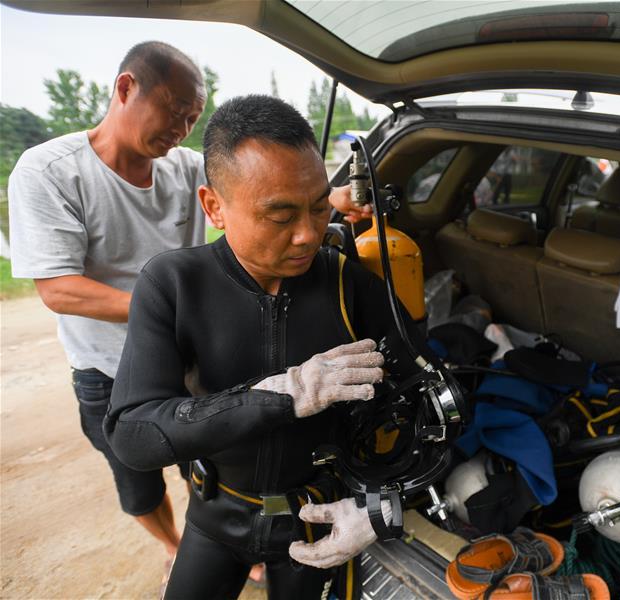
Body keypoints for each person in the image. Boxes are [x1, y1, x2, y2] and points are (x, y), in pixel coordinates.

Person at [7, 41, 366, 583]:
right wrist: (170, 309)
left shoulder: (182, 168)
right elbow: (59, 290)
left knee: (210, 454)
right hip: (110, 363)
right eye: (174, 110)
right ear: (126, 88)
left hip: (199, 358)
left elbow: (263, 185)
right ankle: (173, 543)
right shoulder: (52, 172)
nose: (183, 127)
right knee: (140, 475)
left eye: (193, 117)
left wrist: (327, 200)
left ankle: (231, 534)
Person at [105, 94, 415, 599]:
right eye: (279, 216)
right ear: (214, 206)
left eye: (318, 207)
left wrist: (383, 504)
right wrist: (282, 395)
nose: (307, 235)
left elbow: (433, 403)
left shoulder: (346, 282)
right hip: (216, 515)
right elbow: (133, 433)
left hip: (318, 517)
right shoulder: (175, 283)